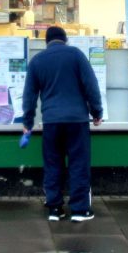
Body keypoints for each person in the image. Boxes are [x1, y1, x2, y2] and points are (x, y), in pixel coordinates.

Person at [21, 26, 103, 222]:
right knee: (78, 164)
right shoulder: (76, 55)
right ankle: (80, 210)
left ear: (46, 41)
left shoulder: (37, 61)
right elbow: (91, 86)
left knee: (52, 164)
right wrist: (97, 112)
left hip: (51, 121)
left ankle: (55, 209)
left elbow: (29, 96)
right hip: (77, 121)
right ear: (65, 39)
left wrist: (28, 123)